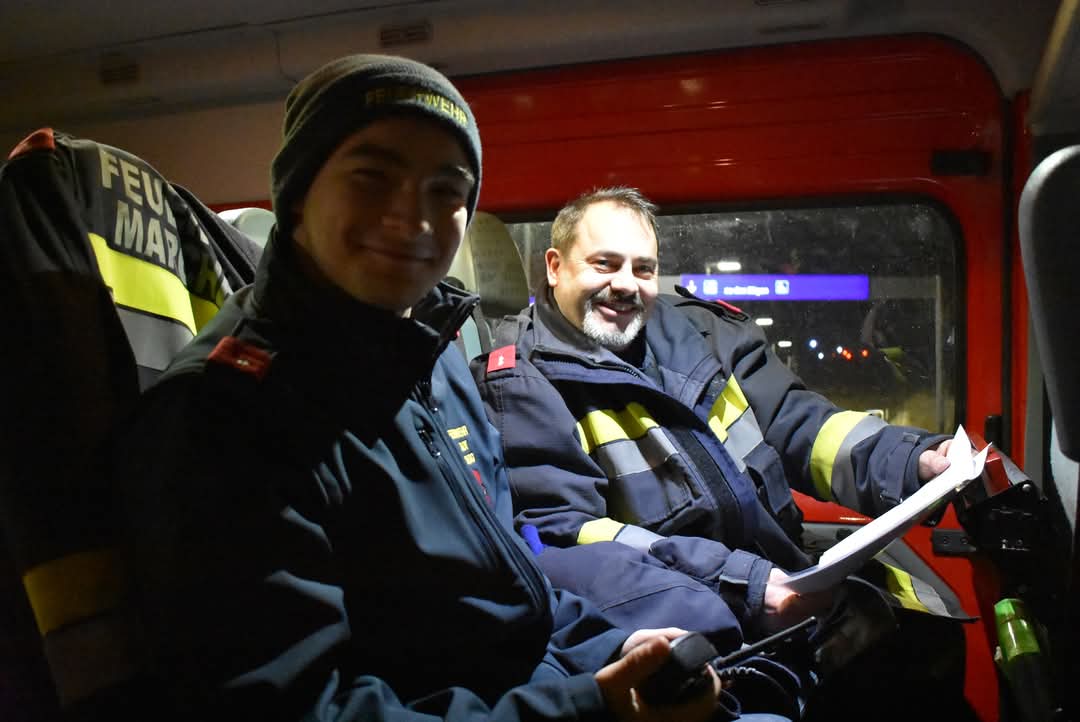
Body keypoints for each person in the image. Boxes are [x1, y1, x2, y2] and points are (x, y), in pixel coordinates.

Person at [112, 57, 751, 722]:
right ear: (298, 193)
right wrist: (590, 707)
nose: (412, 219)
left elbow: (507, 586)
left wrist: (614, 648)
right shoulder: (223, 416)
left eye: (446, 191)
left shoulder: (432, 358)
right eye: (372, 177)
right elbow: (296, 708)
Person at [470, 187, 968, 694]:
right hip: (694, 622)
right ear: (555, 267)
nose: (625, 285)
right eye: (605, 264)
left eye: (643, 269)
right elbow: (568, 534)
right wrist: (746, 585)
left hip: (780, 582)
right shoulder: (521, 383)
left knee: (930, 650)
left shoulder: (702, 332)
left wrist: (914, 459)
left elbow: (803, 425)